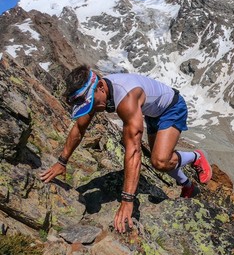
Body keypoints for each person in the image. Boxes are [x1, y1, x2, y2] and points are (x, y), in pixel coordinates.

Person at [40, 65, 212, 233]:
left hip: (171, 108)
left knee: (159, 161)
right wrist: (62, 162)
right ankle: (187, 185)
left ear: (100, 86)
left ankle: (196, 156)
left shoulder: (127, 99)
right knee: (159, 158)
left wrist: (127, 200)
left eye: (91, 103)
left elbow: (134, 152)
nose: (91, 109)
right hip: (152, 111)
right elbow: (79, 129)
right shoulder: (97, 92)